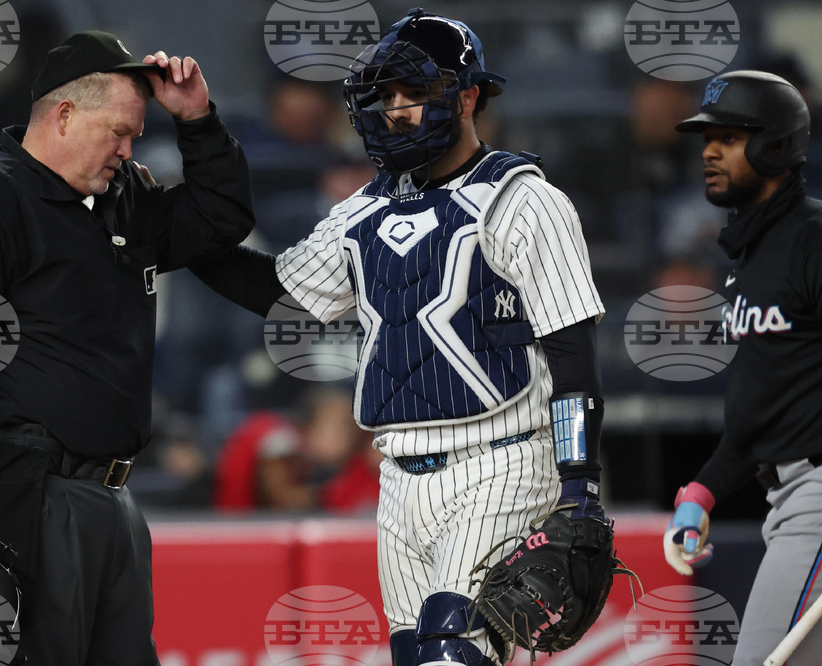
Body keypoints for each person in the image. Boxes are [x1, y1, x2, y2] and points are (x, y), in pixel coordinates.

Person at [190, 9, 608, 664]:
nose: (398, 109)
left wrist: (580, 483)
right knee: (417, 653)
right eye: (385, 96)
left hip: (498, 459)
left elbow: (572, 349)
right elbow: (278, 291)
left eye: (416, 92)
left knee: (452, 645)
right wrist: (180, 241)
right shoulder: (363, 209)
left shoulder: (523, 198)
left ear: (468, 95)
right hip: (399, 474)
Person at [0, 31, 254, 664]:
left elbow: (221, 221)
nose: (127, 148)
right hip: (23, 498)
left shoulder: (124, 200)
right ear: (63, 115)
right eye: (117, 131)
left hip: (114, 500)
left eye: (136, 137)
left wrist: (198, 122)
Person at [668, 70, 821, 664]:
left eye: (729, 137)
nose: (708, 150)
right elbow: (765, 406)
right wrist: (702, 493)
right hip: (783, 497)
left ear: (775, 144)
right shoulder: (749, 256)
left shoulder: (812, 238)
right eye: (707, 137)